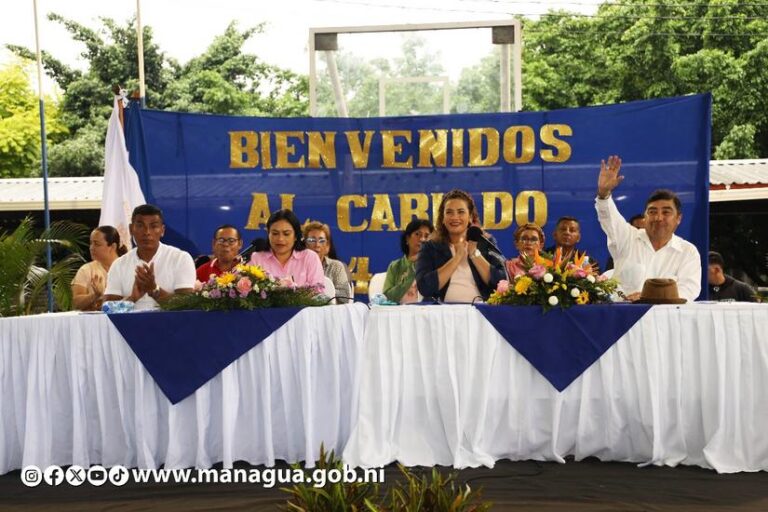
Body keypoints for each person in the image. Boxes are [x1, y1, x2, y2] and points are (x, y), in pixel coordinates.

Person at [595, 155, 701, 302]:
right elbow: (609, 218)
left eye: (666, 212)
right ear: (645, 217)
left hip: (666, 320)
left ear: (678, 218)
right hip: (623, 321)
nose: (658, 218)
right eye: (652, 212)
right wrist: (603, 193)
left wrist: (650, 298)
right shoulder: (627, 237)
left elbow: (689, 289)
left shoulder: (688, 252)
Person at [416, 189, 506, 302]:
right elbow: (425, 288)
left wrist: (475, 255)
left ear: (470, 217)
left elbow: (502, 282)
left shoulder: (485, 242)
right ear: (442, 218)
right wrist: (457, 257)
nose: (454, 217)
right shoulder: (430, 247)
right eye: (449, 212)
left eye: (461, 212)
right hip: (441, 314)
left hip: (481, 313)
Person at [104, 204, 196, 310]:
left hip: (170, 325)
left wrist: (154, 290)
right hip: (129, 325)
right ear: (131, 229)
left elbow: (187, 304)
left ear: (162, 230)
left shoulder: (180, 258)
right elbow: (108, 309)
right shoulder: (119, 264)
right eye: (140, 225)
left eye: (153, 226)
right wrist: (132, 298)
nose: (147, 232)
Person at [249, 209, 324, 288]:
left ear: (295, 236)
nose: (280, 239)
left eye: (286, 234)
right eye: (275, 233)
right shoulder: (256, 258)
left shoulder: (309, 257)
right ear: (268, 234)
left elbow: (318, 291)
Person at [72, 226, 127, 311]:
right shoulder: (86, 270)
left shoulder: (127, 267)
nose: (91, 248)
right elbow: (75, 302)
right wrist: (94, 295)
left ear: (113, 246)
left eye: (97, 244)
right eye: (91, 243)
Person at [383, 218, 434, 304]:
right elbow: (388, 297)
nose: (422, 239)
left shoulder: (434, 265)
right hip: (400, 314)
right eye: (418, 234)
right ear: (407, 238)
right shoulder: (395, 266)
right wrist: (411, 272)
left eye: (426, 236)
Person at [302, 220, 351, 303]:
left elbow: (345, 297)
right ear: (305, 245)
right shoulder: (297, 266)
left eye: (321, 241)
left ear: (327, 246)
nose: (317, 245)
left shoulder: (336, 266)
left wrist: (321, 292)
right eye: (312, 240)